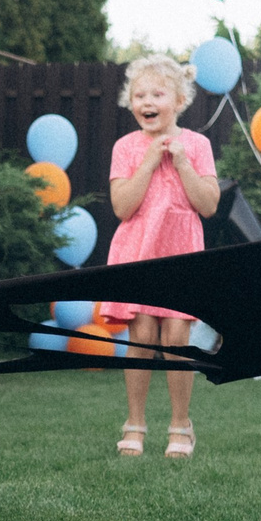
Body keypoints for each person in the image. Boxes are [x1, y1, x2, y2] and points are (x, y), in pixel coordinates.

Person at [101, 55, 221, 457]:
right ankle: (134, 423)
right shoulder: (126, 147)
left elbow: (208, 205)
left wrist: (183, 163)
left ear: (180, 100)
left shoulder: (198, 144)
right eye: (138, 94)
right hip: (139, 254)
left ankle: (180, 425)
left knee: (175, 338)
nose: (146, 101)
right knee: (143, 335)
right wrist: (150, 162)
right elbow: (122, 207)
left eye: (157, 93)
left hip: (181, 253)